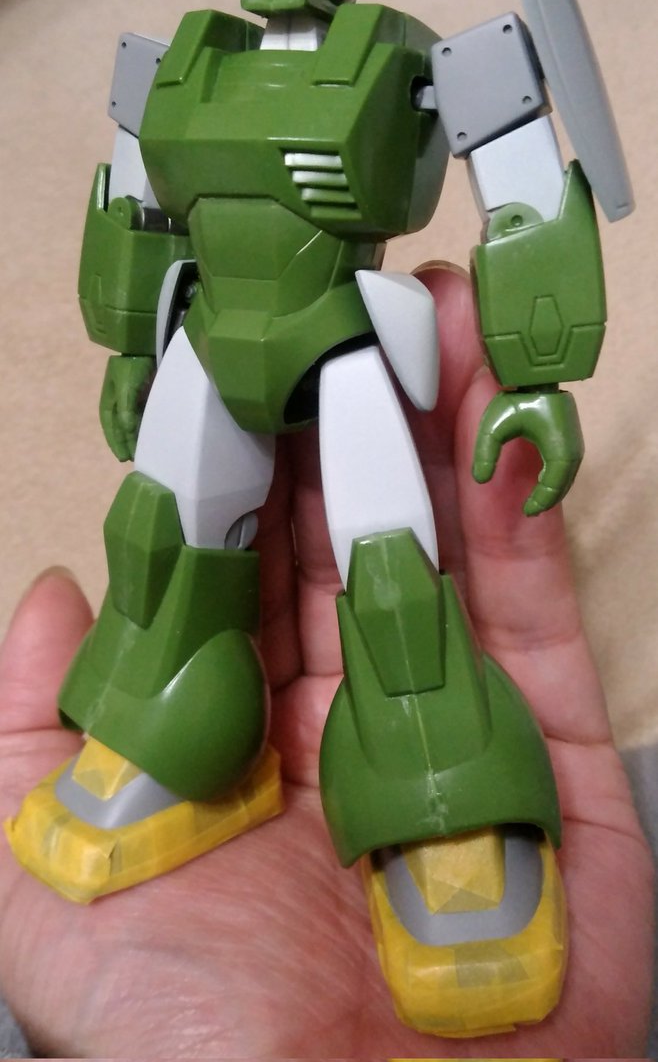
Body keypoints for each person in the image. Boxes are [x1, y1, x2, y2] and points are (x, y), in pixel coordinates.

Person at [0, 264, 652, 1057]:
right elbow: (134, 212)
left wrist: (537, 371)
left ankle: (436, 762)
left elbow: (522, 199)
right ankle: (174, 716)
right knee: (156, 529)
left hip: (339, 327)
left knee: (389, 566)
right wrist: (135, 342)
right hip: (210, 322)